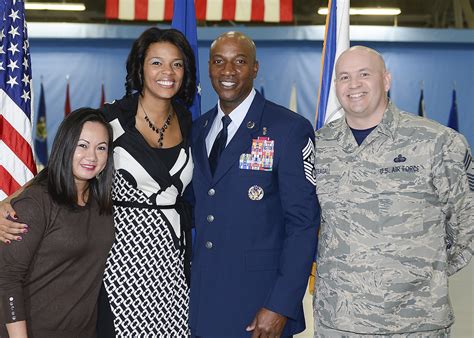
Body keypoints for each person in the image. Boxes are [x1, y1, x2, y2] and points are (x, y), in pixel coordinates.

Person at [0, 27, 196, 336]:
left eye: (177, 63)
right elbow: (61, 166)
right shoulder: (111, 119)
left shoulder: (189, 123)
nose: (167, 72)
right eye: (156, 62)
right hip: (119, 264)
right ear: (140, 67)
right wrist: (7, 202)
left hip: (171, 266)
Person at [313, 45, 474, 337]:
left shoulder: (437, 142)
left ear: (386, 80)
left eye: (364, 74)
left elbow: (466, 223)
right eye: (344, 77)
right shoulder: (319, 146)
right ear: (335, 85)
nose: (354, 85)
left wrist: (420, 274)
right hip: (338, 322)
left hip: (415, 323)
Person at [189, 31, 319, 337]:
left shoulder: (288, 129)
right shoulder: (198, 129)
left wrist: (281, 305)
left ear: (255, 68)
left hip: (259, 304)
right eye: (219, 61)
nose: (228, 71)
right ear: (209, 68)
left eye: (240, 61)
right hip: (204, 302)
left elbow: (303, 224)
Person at [0, 108, 115, 338]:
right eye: (82, 145)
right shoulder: (36, 203)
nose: (91, 156)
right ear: (65, 145)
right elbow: (7, 277)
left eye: (101, 148)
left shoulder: (102, 204)